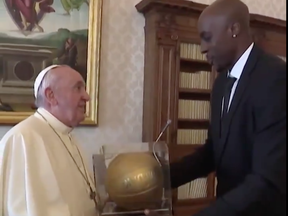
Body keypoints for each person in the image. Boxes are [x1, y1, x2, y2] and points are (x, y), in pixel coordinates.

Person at [145, 0, 286, 215]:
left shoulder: (275, 77)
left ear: (234, 30)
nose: (202, 48)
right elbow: (213, 152)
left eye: (207, 37)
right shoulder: (221, 84)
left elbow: (266, 180)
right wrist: (159, 178)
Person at [0, 65, 99, 216]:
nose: (86, 96)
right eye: (78, 88)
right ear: (51, 96)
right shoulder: (23, 138)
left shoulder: (67, 134)